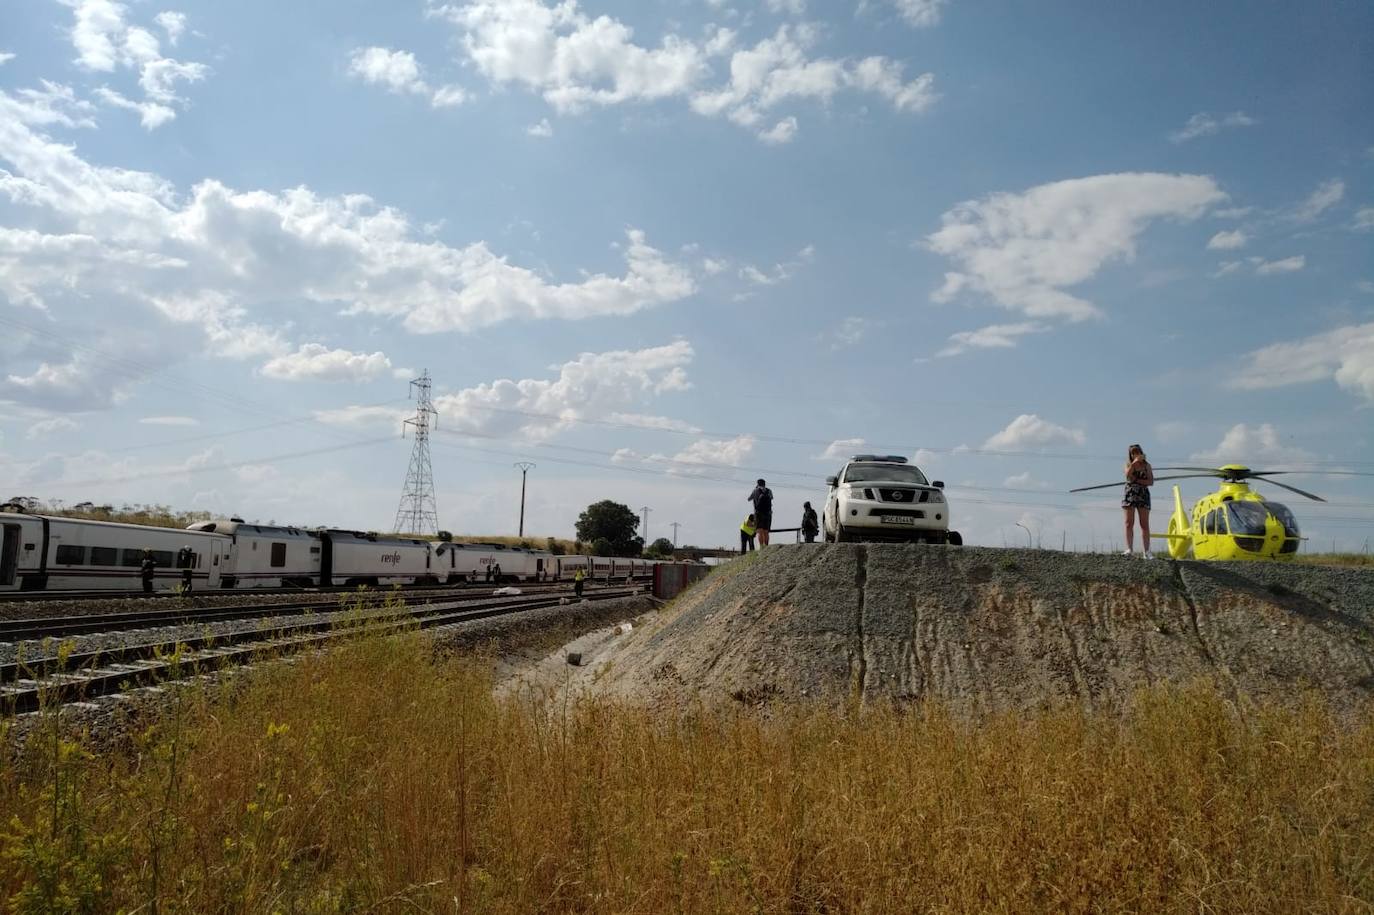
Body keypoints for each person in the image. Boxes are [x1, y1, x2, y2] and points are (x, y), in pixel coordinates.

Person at [1122, 444, 1155, 558]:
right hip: (1130, 493)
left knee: (1144, 524)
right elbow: (1127, 475)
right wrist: (1134, 463)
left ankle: (1146, 551)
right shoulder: (1128, 464)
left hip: (1142, 494)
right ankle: (1129, 549)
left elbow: (1150, 481)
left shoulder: (1147, 466)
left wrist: (1136, 480)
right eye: (1133, 453)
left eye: (1137, 452)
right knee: (1128, 523)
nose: (1135, 454)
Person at [747, 479, 774, 547]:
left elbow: (749, 499)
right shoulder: (769, 491)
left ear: (758, 484)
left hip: (758, 514)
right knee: (766, 531)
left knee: (760, 531)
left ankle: (761, 547)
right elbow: (771, 498)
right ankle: (766, 546)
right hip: (768, 514)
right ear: (764, 484)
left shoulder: (755, 491)